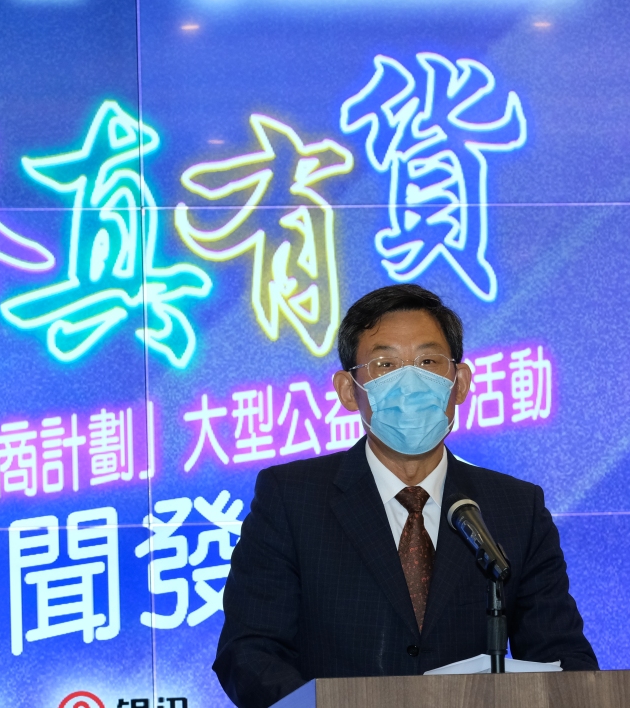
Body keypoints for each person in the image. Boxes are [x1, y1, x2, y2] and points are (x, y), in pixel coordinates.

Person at [213, 284, 597, 708]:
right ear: (347, 390)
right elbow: (249, 653)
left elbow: (562, 655)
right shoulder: (291, 498)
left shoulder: (515, 507)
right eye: (386, 364)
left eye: (428, 362)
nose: (410, 383)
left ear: (460, 383)